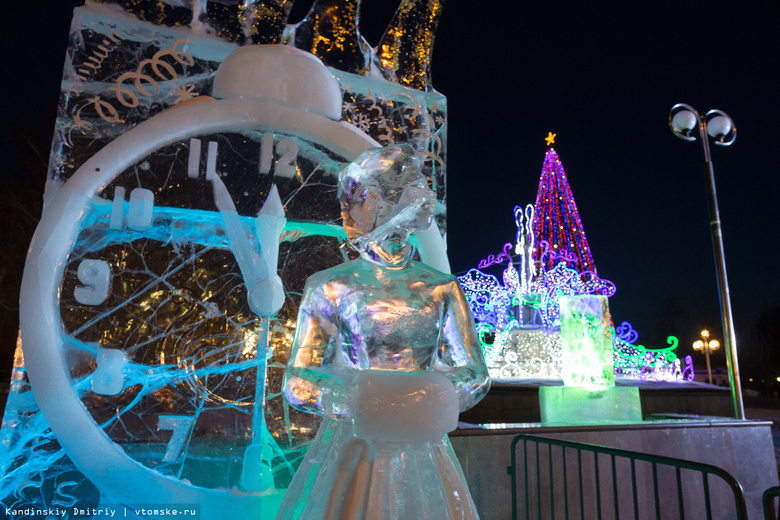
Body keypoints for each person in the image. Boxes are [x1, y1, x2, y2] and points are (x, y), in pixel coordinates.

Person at [276, 144, 490, 520]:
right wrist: (355, 400)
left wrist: (432, 400)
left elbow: (474, 373)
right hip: (355, 447)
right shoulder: (331, 285)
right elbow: (297, 381)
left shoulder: (441, 287)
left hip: (422, 450)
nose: (352, 211)